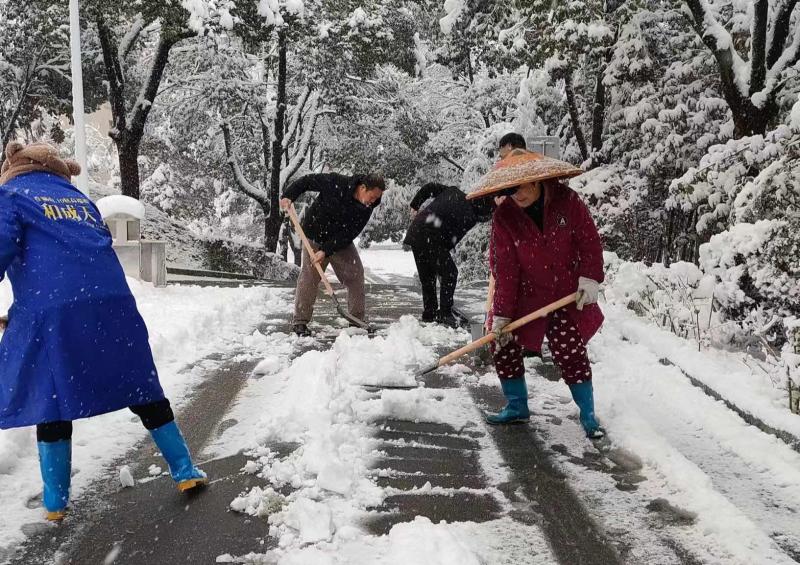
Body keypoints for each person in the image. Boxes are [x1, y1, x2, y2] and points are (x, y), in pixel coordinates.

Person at [0, 141, 207, 522]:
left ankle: (55, 503)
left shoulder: (10, 195)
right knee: (141, 386)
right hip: (114, 303)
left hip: (55, 311)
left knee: (52, 394)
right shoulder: (79, 200)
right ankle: (185, 470)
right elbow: (83, 259)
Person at [467, 149, 606, 439]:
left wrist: (590, 280)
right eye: (508, 190)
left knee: (570, 350)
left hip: (565, 292)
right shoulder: (505, 216)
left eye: (518, 188)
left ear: (536, 180)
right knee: (502, 343)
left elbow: (589, 243)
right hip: (525, 294)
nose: (515, 195)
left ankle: (588, 413)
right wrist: (502, 314)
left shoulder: (567, 202)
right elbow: (505, 269)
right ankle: (517, 406)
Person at [280, 172, 385, 336]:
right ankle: (300, 322)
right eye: (372, 197)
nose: (373, 202)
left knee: (356, 274)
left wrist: (326, 250)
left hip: (339, 242)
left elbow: (349, 233)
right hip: (314, 235)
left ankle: (356, 321)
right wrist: (288, 196)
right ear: (362, 187)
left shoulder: (368, 207)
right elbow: (307, 181)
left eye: (376, 199)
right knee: (309, 277)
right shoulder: (336, 182)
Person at [403, 183, 492, 326]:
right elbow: (451, 239)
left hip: (416, 231)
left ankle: (429, 313)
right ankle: (445, 313)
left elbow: (430, 187)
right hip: (429, 235)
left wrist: (415, 204)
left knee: (428, 277)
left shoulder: (453, 191)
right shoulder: (470, 215)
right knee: (450, 273)